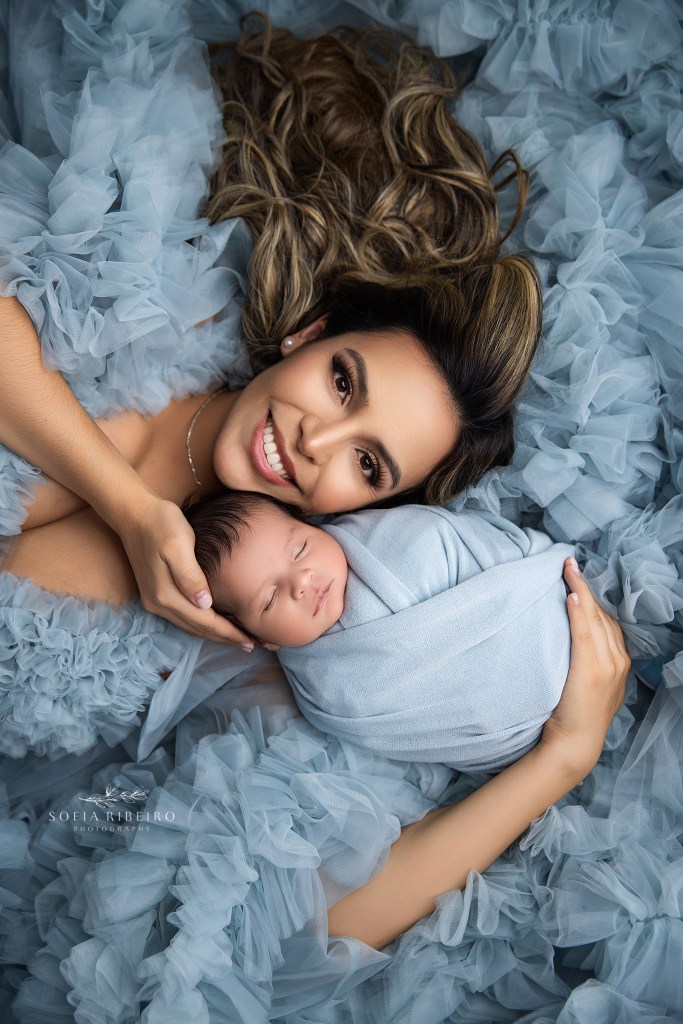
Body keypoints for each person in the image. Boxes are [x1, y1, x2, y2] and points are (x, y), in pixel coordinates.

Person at [185, 489, 574, 771]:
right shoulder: (321, 693)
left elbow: (446, 539)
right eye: (269, 600)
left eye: (300, 549)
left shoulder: (386, 537)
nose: (301, 582)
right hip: (516, 738)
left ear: (314, 525)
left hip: (547, 615)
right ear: (262, 639)